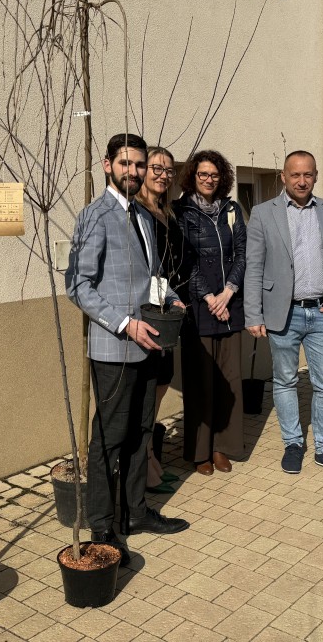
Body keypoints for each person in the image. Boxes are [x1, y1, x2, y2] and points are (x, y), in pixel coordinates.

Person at [65, 133, 190, 564]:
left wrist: (170, 295)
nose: (133, 171)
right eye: (125, 163)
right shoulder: (94, 216)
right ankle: (102, 525)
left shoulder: (143, 214)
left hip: (148, 342)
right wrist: (124, 324)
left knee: (140, 433)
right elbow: (78, 285)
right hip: (115, 348)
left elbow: (150, 275)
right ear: (107, 165)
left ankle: (135, 512)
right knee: (108, 440)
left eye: (139, 164)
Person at [243, 150, 323, 477]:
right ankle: (293, 443)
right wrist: (253, 314)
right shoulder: (263, 213)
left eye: (308, 174)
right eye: (295, 175)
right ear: (283, 177)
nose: (302, 181)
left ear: (315, 176)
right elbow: (254, 267)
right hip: (283, 313)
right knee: (285, 381)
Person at [173, 150, 247, 476]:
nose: (208, 179)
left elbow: (243, 253)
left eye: (214, 175)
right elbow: (184, 260)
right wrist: (208, 297)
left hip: (230, 305)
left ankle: (221, 447)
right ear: (193, 176)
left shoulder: (232, 209)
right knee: (200, 382)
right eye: (203, 174)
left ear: (222, 178)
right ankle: (199, 450)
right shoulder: (181, 211)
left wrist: (228, 292)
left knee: (229, 381)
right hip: (198, 308)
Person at [135, 146, 184, 493]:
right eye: (157, 168)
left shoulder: (166, 211)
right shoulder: (136, 212)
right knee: (149, 388)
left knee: (163, 380)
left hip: (167, 306)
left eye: (168, 170)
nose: (163, 175)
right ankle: (146, 463)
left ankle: (150, 455)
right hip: (148, 309)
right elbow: (145, 269)